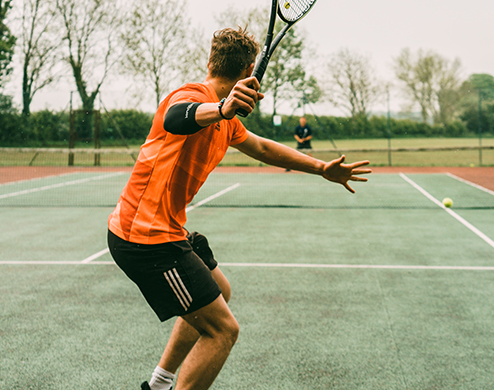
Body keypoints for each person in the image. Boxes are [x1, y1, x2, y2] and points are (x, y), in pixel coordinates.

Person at [107, 27, 371, 390]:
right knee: (223, 331)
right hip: (144, 240)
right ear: (250, 70)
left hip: (162, 229)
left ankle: (159, 383)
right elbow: (175, 117)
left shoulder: (227, 122)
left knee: (220, 292)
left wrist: (321, 168)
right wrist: (220, 107)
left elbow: (262, 148)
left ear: (211, 61)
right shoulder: (193, 97)